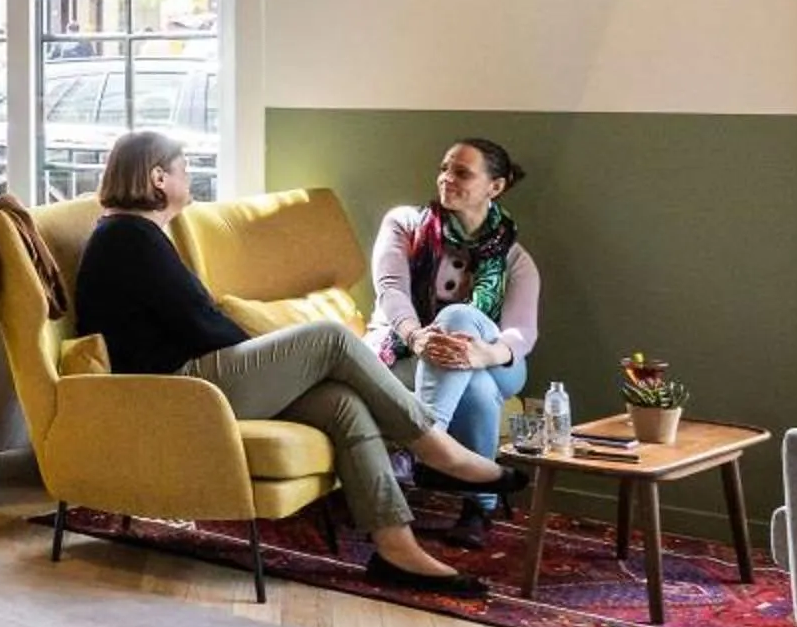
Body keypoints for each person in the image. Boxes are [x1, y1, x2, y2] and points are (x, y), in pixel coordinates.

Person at [70, 130, 517, 597]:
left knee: (341, 403)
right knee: (329, 338)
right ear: (158, 178)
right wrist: (275, 359)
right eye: (184, 169)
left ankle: (395, 549)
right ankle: (434, 448)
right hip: (177, 389)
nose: (191, 177)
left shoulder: (135, 234)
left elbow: (192, 320)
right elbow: (200, 324)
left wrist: (275, 363)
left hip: (196, 376)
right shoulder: (127, 236)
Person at [370, 138, 540, 549]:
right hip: (405, 349)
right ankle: (479, 506)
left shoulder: (515, 259)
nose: (446, 178)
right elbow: (391, 290)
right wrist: (416, 335)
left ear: (495, 187)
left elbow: (522, 333)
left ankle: (421, 448)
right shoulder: (405, 224)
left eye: (462, 172)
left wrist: (486, 353)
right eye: (444, 168)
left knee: (459, 318)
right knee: (476, 386)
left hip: (497, 361)